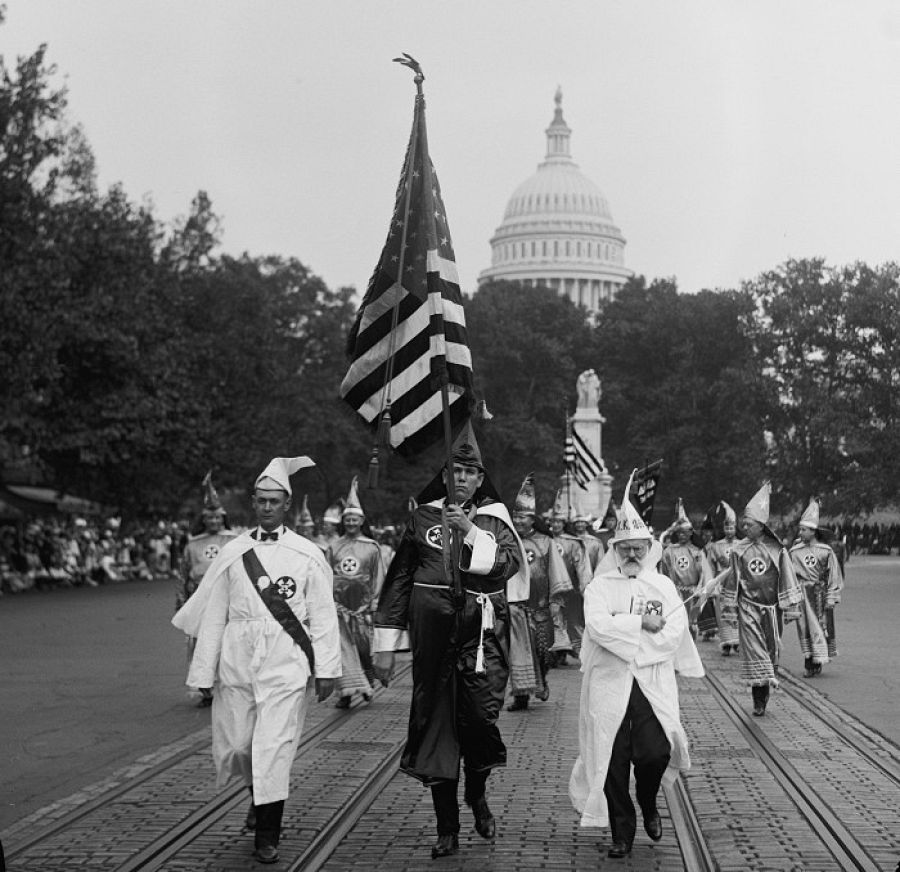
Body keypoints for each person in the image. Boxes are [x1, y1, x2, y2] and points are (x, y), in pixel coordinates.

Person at [172, 456, 340, 864]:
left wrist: (327, 670)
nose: (267, 507)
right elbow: (214, 615)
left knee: (274, 746)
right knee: (238, 746)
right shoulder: (233, 551)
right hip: (237, 659)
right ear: (253, 502)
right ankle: (258, 795)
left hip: (286, 660)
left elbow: (322, 614)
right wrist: (202, 672)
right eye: (261, 500)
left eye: (274, 501)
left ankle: (268, 832)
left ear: (287, 503)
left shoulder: (307, 553)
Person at [372, 430, 522, 860]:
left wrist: (470, 531)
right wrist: (386, 642)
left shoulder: (495, 519)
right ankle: (447, 828)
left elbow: (505, 566)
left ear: (479, 479)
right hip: (434, 641)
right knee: (436, 728)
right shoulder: (421, 519)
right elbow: (400, 579)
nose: (461, 478)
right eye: (454, 470)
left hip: (481, 641)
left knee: (479, 724)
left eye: (469, 472)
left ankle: (477, 793)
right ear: (444, 475)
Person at [570, 470, 703, 859]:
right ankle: (622, 833)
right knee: (611, 759)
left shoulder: (662, 587)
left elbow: (674, 631)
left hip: (650, 683)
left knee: (654, 753)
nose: (632, 555)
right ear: (615, 549)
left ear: (648, 549)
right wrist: (639, 624)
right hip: (609, 684)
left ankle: (648, 800)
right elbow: (597, 626)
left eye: (638, 549)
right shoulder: (600, 587)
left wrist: (634, 641)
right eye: (624, 548)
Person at [720, 482, 802, 716]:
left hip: (772, 609)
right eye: (743, 523)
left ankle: (764, 692)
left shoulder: (777, 550)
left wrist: (791, 608)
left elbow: (787, 578)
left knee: (769, 651)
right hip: (748, 608)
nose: (744, 527)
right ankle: (757, 698)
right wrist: (729, 609)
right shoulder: (738, 550)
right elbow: (733, 580)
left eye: (750, 523)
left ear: (762, 526)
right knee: (755, 651)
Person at [176, 472, 237, 707]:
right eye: (209, 519)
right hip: (199, 599)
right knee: (199, 642)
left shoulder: (234, 540)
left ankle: (225, 682)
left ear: (223, 518)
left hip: (226, 599)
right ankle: (205, 687)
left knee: (223, 642)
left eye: (217, 518)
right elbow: (183, 573)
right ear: (204, 519)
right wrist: (182, 600)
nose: (214, 522)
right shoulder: (193, 544)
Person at [328, 476, 384, 708]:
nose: (351, 522)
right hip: (339, 608)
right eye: (347, 519)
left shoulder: (372, 547)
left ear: (361, 521)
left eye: (355, 519)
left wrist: (374, 602)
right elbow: (326, 575)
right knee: (342, 651)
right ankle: (345, 694)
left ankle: (367, 685)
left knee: (363, 650)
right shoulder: (334, 546)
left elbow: (379, 575)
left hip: (362, 608)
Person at [508, 474, 553, 711]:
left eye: (523, 517)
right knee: (518, 654)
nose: (519, 521)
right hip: (516, 607)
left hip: (541, 607)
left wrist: (556, 600)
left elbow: (557, 573)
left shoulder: (546, 542)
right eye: (515, 517)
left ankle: (542, 680)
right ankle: (521, 696)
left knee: (543, 653)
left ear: (533, 520)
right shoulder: (507, 541)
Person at [790, 498, 843, 677]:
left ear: (813, 532)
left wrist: (831, 598)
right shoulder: (794, 552)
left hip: (819, 594)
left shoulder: (825, 551)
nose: (801, 532)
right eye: (800, 529)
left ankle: (816, 661)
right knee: (804, 627)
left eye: (804, 529)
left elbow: (834, 576)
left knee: (820, 627)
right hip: (801, 596)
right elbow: (789, 576)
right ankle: (809, 660)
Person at [659, 500, 713, 641]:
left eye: (684, 533)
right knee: (676, 622)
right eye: (679, 533)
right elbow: (663, 572)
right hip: (675, 592)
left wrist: (701, 588)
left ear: (690, 533)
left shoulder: (697, 552)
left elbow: (704, 573)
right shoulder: (669, 551)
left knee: (691, 623)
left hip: (692, 592)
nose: (682, 536)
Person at [548, 494, 592, 664]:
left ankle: (581, 653)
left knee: (573, 622)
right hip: (550, 588)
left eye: (559, 522)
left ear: (564, 523)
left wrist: (584, 587)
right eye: (553, 522)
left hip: (571, 587)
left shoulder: (573, 543)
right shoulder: (545, 540)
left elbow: (581, 565)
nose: (556, 524)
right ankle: (556, 655)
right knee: (554, 620)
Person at [706, 502, 740, 655]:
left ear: (735, 528)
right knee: (722, 613)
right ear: (723, 529)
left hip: (738, 583)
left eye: (731, 528)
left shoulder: (742, 545)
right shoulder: (715, 546)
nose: (729, 531)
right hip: (722, 583)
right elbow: (710, 567)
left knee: (737, 612)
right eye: (726, 528)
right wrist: (711, 584)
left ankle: (738, 641)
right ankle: (726, 642)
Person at [573, 508, 604, 574]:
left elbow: (600, 562)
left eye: (582, 522)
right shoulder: (571, 540)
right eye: (577, 522)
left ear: (586, 524)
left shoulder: (595, 542)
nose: (580, 524)